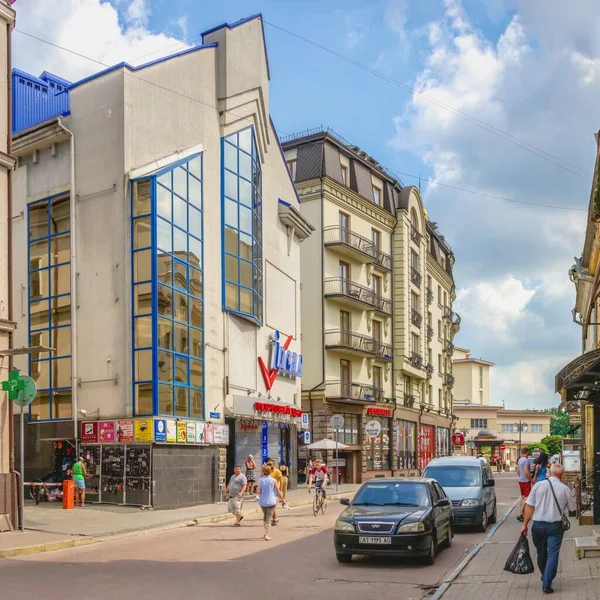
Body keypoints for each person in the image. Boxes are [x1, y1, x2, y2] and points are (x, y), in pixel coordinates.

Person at [520, 464, 576, 594]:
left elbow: (529, 507)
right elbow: (572, 509)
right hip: (555, 526)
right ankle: (547, 581)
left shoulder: (538, 486)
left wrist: (524, 525)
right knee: (553, 554)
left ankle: (545, 577)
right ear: (562, 475)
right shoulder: (565, 489)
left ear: (549, 473)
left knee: (541, 553)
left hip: (538, 526)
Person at [257, 464, 284, 541]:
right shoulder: (273, 480)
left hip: (262, 501)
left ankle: (265, 533)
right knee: (269, 518)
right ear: (270, 471)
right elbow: (278, 491)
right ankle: (267, 534)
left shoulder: (260, 480)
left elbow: (258, 491)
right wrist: (283, 499)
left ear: (263, 471)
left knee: (265, 517)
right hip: (271, 501)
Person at [516, 448, 533, 522]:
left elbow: (518, 472)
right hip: (526, 481)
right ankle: (520, 514)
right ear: (527, 453)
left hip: (521, 481)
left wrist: (521, 477)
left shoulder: (519, 460)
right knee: (526, 497)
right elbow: (526, 472)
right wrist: (531, 480)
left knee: (522, 497)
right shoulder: (526, 461)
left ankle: (523, 514)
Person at [266, 458, 283, 526]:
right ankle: (273, 518)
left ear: (274, 464)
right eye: (268, 464)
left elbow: (281, 481)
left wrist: (280, 490)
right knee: (269, 505)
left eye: (271, 464)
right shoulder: (267, 471)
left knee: (272, 505)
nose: (270, 465)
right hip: (268, 490)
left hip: (275, 490)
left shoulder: (277, 471)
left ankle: (275, 518)